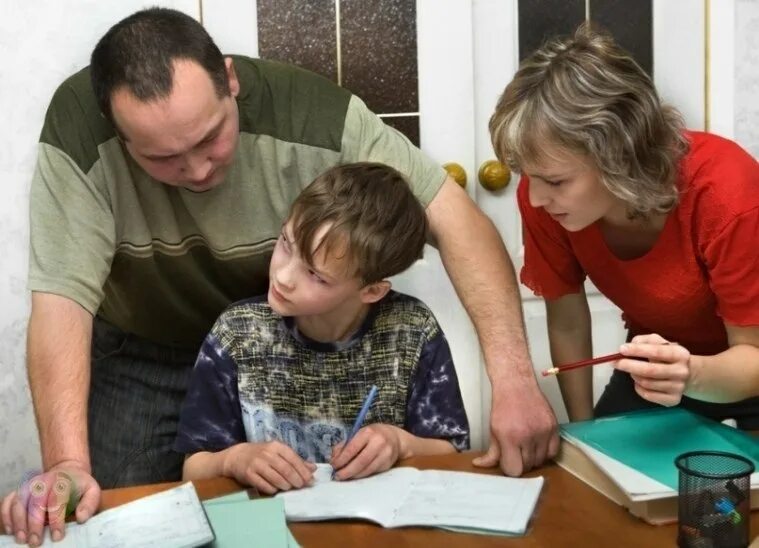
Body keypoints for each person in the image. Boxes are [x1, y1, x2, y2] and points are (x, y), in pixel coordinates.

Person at [2, 6, 556, 546]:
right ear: (119, 134)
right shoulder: (77, 130)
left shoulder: (316, 115)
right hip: (142, 349)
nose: (196, 171)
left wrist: (513, 384)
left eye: (209, 138)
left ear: (231, 80)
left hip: (280, 342)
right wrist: (68, 463)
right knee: (121, 519)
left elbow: (458, 222)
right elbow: (61, 301)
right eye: (162, 158)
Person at [489, 24, 759, 426]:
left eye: (557, 181)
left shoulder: (728, 193)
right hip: (659, 367)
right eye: (530, 177)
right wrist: (585, 434)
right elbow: (567, 319)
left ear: (618, 155)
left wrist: (690, 375)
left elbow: (752, 356)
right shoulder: (546, 198)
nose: (534, 199)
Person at [175, 162, 470, 492]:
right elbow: (193, 469)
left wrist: (399, 443)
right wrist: (235, 460)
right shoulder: (238, 331)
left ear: (371, 291)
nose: (283, 277)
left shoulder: (411, 331)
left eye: (316, 276)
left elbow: (451, 454)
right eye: (286, 243)